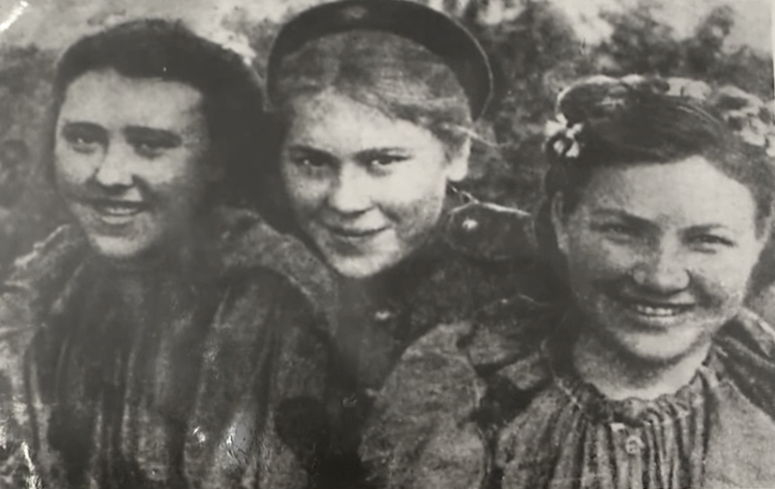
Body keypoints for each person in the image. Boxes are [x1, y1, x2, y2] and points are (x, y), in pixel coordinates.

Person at [359, 75, 775, 489]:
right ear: (563, 220)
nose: (661, 276)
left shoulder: (762, 402)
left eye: (707, 241)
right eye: (623, 231)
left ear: (760, 238)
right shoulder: (460, 395)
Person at [0, 19, 335, 488]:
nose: (109, 174)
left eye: (151, 146)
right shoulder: (42, 288)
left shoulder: (273, 306)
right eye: (83, 139)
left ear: (217, 160)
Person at [260, 0, 557, 486]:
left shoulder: (531, 278)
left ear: (457, 153)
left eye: (382, 161)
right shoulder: (262, 276)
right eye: (312, 162)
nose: (345, 200)